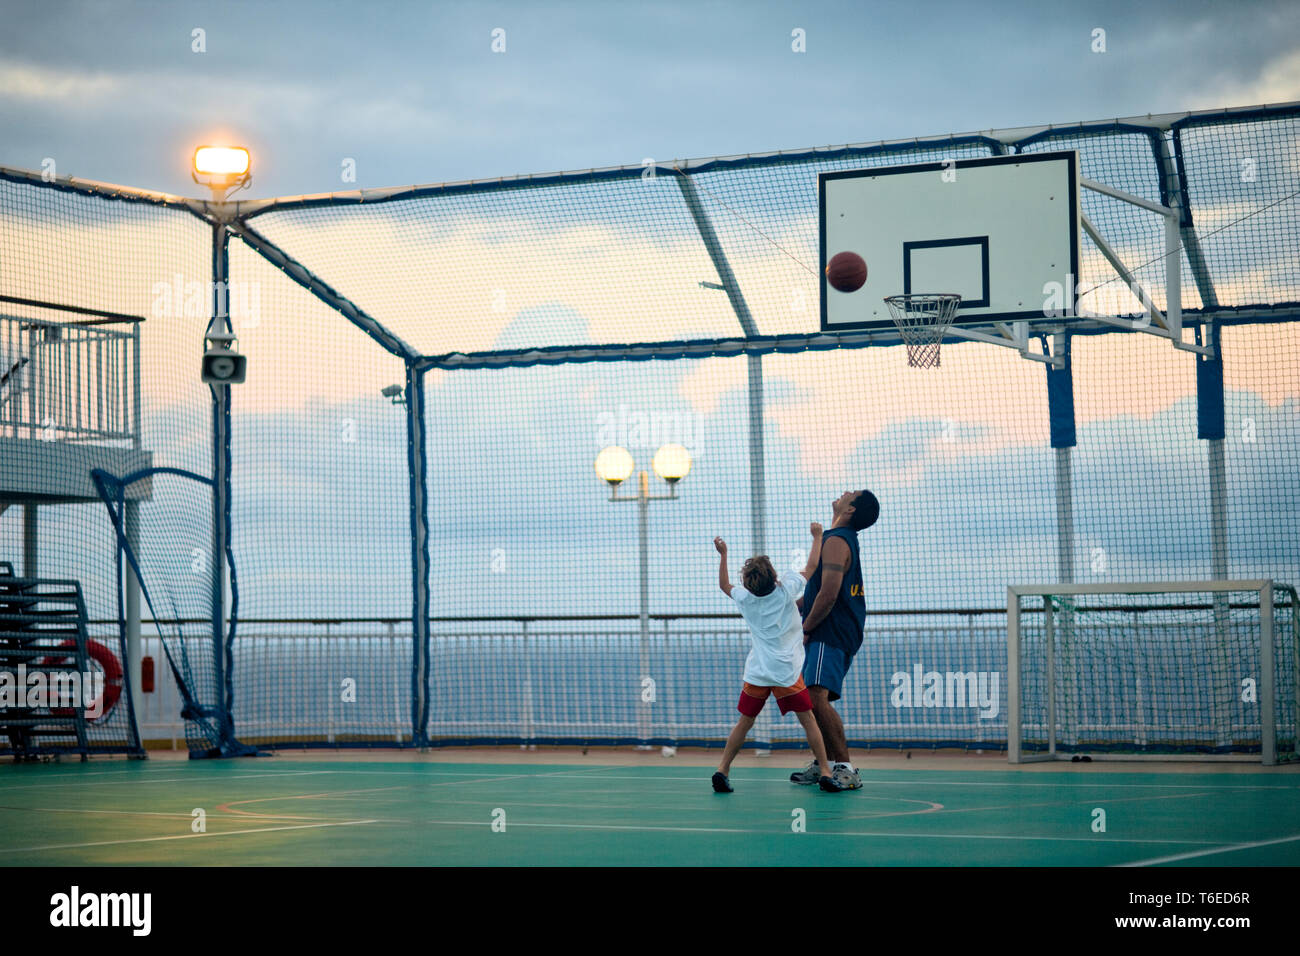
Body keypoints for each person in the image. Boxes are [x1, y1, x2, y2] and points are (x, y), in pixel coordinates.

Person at [710, 530, 838, 793]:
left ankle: (722, 769)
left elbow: (724, 585)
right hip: (787, 674)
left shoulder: (745, 599)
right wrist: (817, 536)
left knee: (745, 722)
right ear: (774, 577)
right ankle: (826, 771)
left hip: (757, 673)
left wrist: (723, 555)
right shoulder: (785, 590)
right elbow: (812, 565)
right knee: (808, 721)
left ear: (747, 583)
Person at [790, 489, 879, 792]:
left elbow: (829, 595)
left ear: (851, 509)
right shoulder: (835, 538)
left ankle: (845, 767)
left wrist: (806, 628)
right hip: (833, 629)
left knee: (815, 696)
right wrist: (787, 608)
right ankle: (824, 763)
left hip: (831, 630)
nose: (844, 492)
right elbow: (817, 593)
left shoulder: (837, 541)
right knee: (814, 698)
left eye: (850, 494)